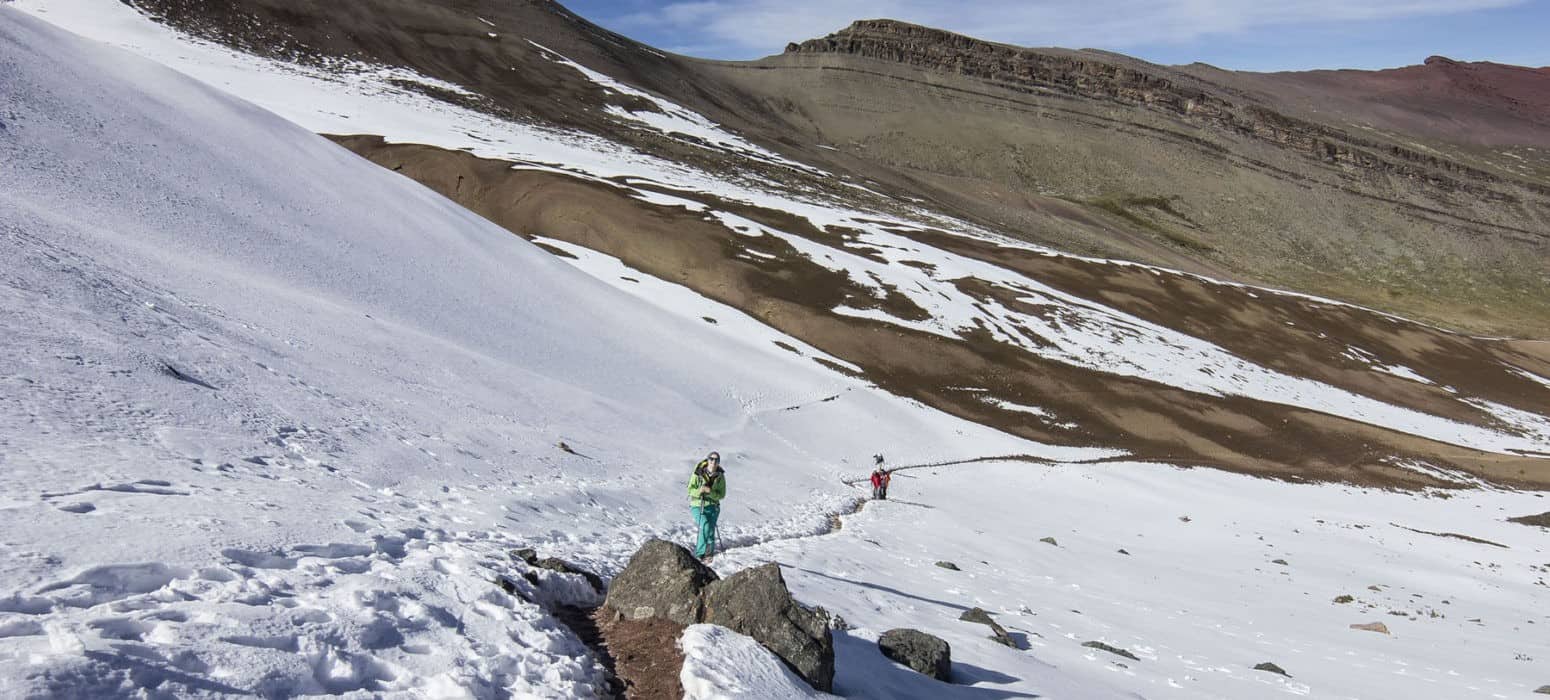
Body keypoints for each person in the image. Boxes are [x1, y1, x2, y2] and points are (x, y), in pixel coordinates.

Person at [688, 451, 727, 560]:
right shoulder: (698, 472)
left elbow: (722, 494)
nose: (713, 462)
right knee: (705, 526)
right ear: (707, 460)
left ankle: (709, 554)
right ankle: (700, 553)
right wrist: (700, 491)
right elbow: (690, 489)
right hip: (697, 505)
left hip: (713, 506)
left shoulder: (720, 476)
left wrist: (710, 492)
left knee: (710, 530)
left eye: (716, 460)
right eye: (711, 459)